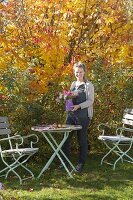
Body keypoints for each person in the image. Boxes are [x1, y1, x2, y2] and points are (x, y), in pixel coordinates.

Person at [59, 61, 94, 172]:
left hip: (83, 116)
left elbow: (90, 101)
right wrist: (65, 98)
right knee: (65, 139)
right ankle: (65, 162)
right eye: (76, 72)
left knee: (82, 140)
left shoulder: (89, 85)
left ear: (84, 72)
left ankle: (80, 164)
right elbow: (70, 98)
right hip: (71, 115)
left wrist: (79, 106)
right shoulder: (73, 84)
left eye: (80, 72)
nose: (78, 74)